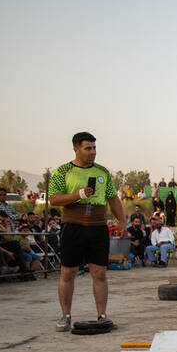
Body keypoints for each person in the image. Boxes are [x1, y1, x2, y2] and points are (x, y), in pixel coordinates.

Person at [49, 132, 125, 332]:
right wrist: (77, 195)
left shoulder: (102, 172)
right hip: (72, 225)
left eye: (94, 148)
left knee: (99, 272)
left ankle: (102, 315)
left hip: (98, 225)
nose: (93, 152)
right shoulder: (62, 171)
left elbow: (113, 199)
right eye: (88, 148)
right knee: (68, 272)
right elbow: (54, 199)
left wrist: (122, 220)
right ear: (76, 149)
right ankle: (65, 315)